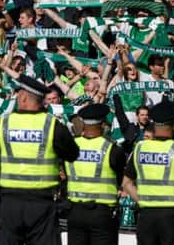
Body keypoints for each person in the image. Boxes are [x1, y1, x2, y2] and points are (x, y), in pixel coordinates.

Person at [0, 75, 80, 245]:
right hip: (43, 205)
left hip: (9, 204)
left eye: (18, 94)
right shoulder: (51, 125)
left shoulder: (4, 124)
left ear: (24, 96)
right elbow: (72, 153)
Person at [122, 100, 174, 245]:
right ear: (173, 124)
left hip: (146, 216)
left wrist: (142, 201)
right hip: (172, 217)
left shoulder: (140, 148)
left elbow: (126, 183)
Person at [65, 103, 126, 245]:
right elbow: (121, 177)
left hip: (75, 211)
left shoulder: (70, 146)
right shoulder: (112, 149)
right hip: (102, 214)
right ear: (103, 124)